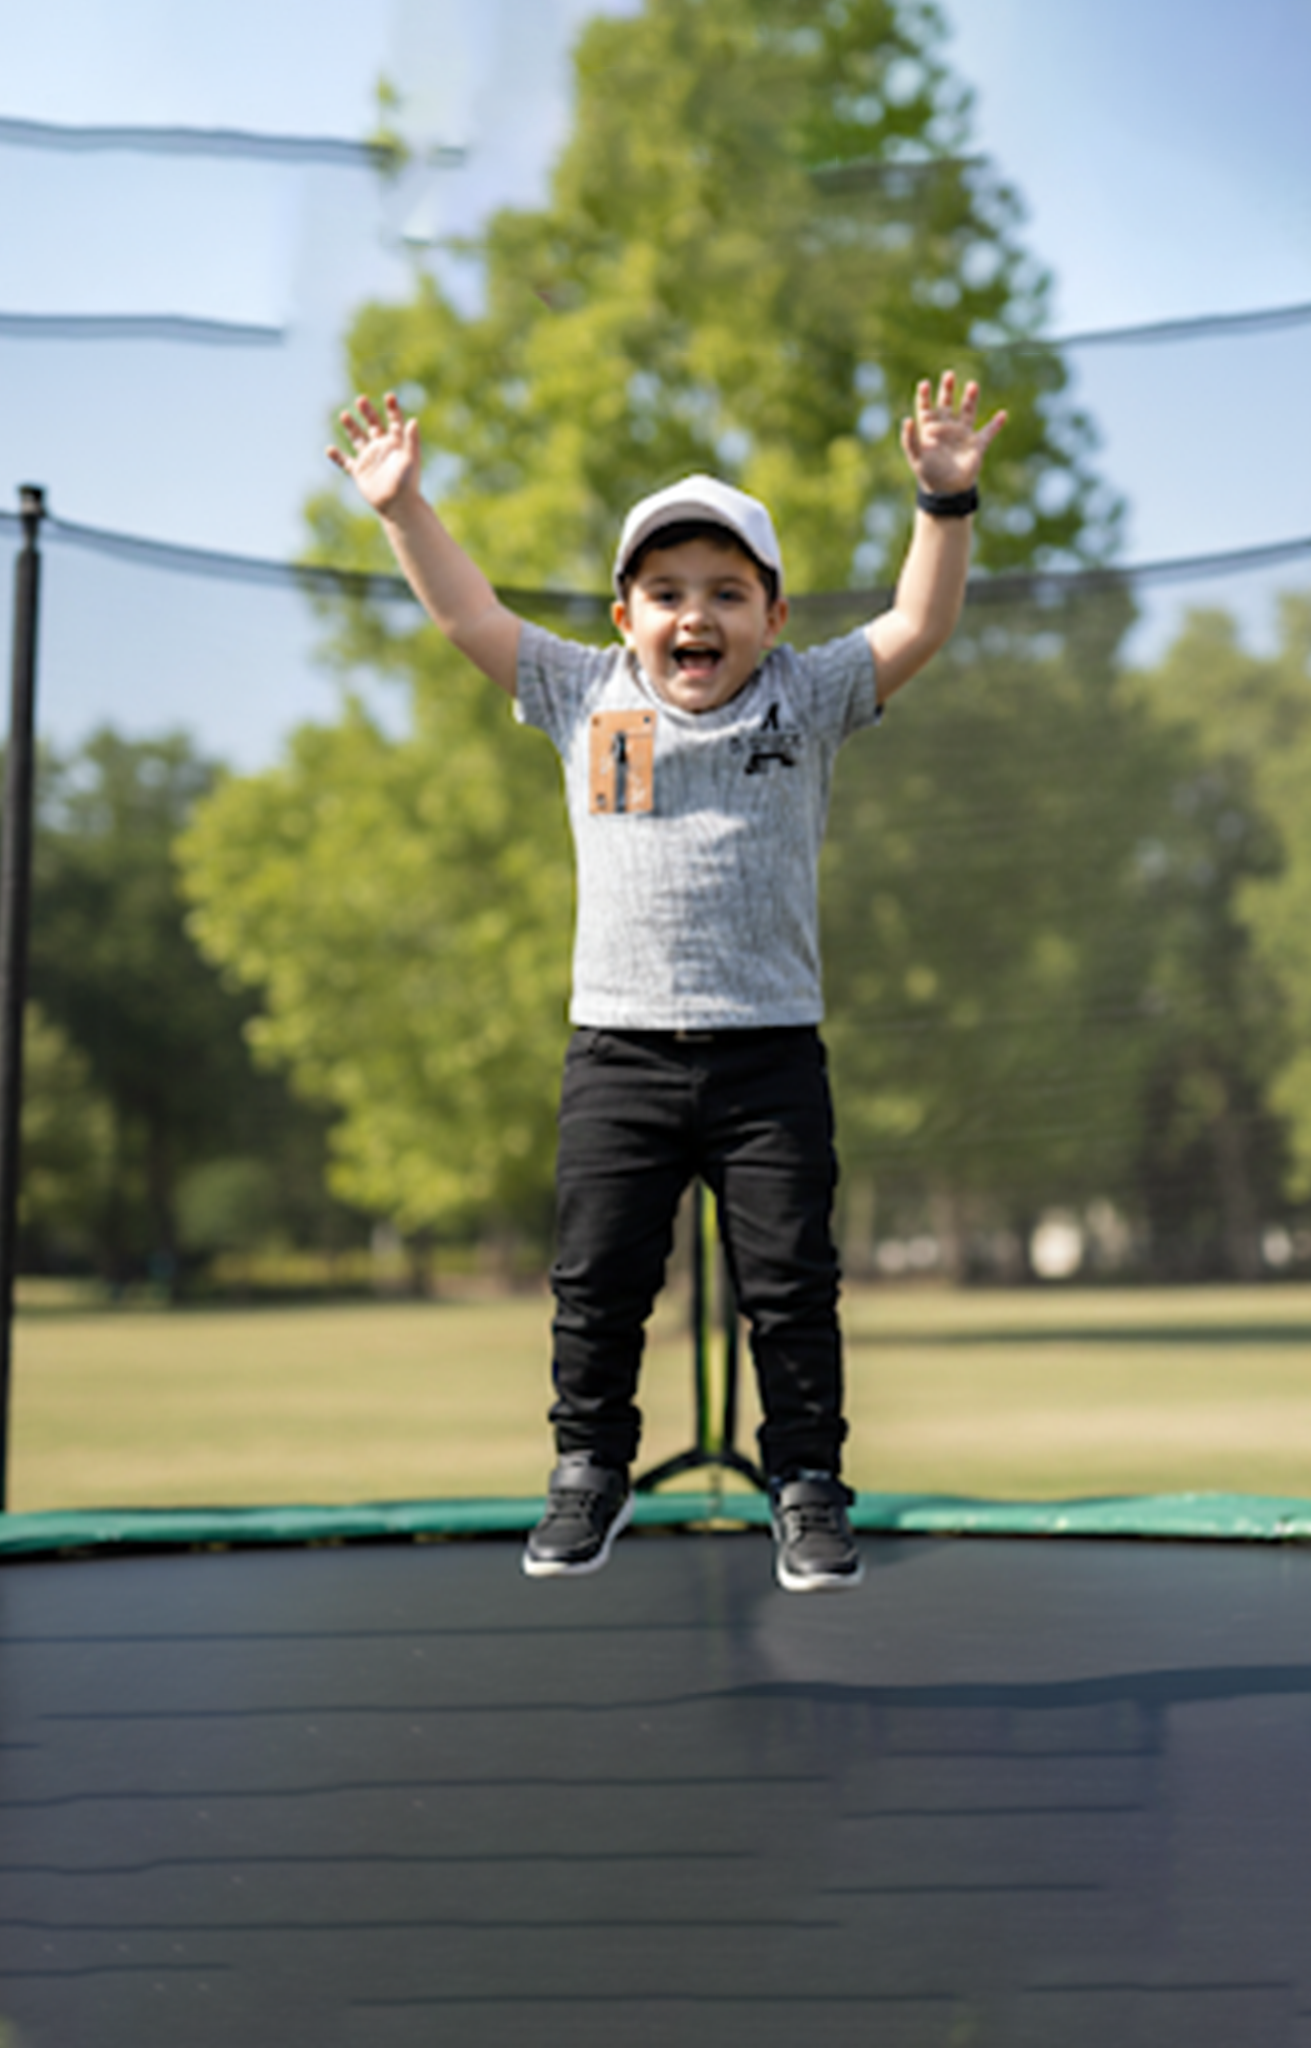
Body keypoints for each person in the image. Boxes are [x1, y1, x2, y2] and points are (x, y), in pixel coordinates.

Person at [328, 371, 1005, 1591]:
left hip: (767, 1056)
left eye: (725, 595)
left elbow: (918, 623)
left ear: (774, 614)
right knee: (595, 1283)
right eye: (667, 594)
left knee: (790, 1291)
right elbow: (468, 619)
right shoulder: (584, 693)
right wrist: (401, 510)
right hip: (619, 1054)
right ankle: (588, 1469)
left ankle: (805, 1484)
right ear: (623, 612)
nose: (695, 617)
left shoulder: (809, 694)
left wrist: (940, 501)